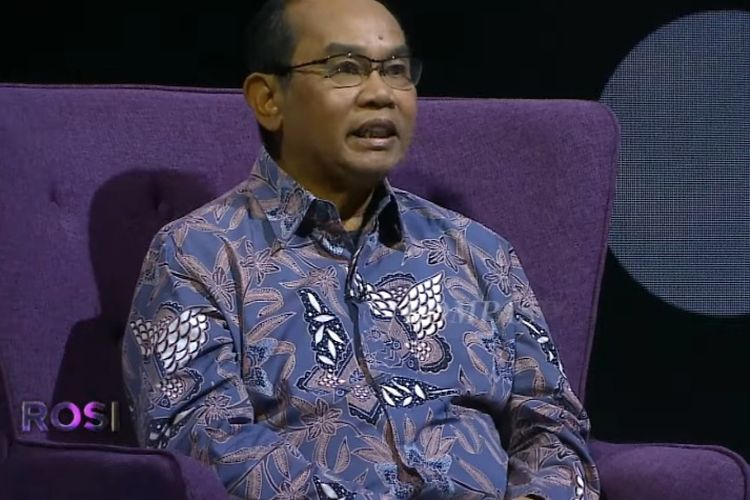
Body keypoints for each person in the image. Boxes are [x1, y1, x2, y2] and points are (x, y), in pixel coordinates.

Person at [122, 0, 601, 498]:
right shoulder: (197, 255)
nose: (381, 94)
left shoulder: (479, 251)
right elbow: (205, 444)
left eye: (396, 70)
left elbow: (553, 428)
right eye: (345, 68)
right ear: (268, 99)